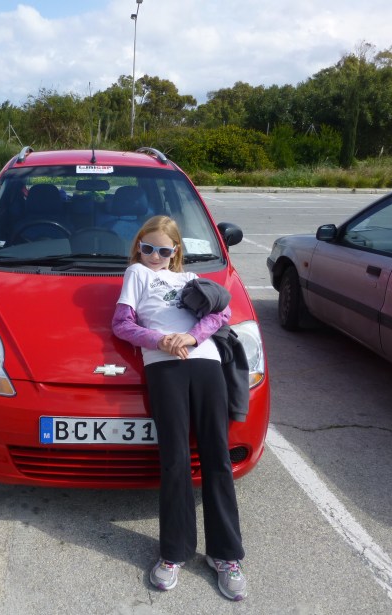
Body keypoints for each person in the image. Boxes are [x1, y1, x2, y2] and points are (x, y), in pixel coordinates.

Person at [111, 215, 247, 601]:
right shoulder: (136, 273)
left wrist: (190, 335)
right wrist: (161, 340)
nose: (154, 255)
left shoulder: (190, 280)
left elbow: (221, 314)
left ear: (176, 253)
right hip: (164, 366)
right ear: (138, 246)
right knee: (174, 459)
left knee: (217, 457)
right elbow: (122, 323)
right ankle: (173, 553)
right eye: (148, 247)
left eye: (163, 250)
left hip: (206, 363)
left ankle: (226, 556)